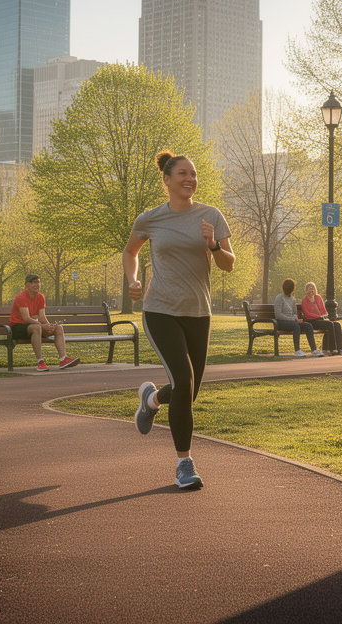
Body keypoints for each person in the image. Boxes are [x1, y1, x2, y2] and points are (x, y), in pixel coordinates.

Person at [126, 150, 235, 490]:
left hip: (198, 312)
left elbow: (229, 264)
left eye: (194, 174)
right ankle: (183, 464)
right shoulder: (150, 218)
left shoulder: (211, 216)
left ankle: (152, 400)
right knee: (185, 382)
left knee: (190, 391)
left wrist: (213, 244)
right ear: (168, 180)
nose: (190, 179)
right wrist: (132, 280)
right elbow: (131, 251)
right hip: (160, 309)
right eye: (183, 174)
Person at [10, 273, 80, 372]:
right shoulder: (21, 297)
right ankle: (40, 362)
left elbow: (42, 317)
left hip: (34, 326)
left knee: (58, 328)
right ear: (26, 285)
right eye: (34, 282)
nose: (37, 285)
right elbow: (26, 318)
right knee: (37, 328)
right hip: (17, 327)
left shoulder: (41, 297)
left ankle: (63, 359)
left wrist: (49, 326)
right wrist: (43, 326)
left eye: (38, 282)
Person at [275, 278, 321, 357]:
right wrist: (292, 319)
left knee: (308, 325)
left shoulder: (292, 299)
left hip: (292, 322)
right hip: (280, 322)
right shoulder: (279, 298)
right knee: (295, 326)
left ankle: (314, 350)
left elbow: (295, 313)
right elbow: (278, 315)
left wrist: (296, 319)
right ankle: (297, 350)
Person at [301, 281, 342, 355]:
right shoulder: (304, 300)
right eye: (309, 289)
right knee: (329, 324)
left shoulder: (318, 298)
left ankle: (341, 348)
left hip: (320, 320)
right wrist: (319, 316)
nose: (311, 290)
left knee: (337, 324)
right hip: (311, 321)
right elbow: (307, 314)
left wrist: (324, 315)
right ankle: (332, 349)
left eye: (313, 288)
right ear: (306, 290)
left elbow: (323, 310)